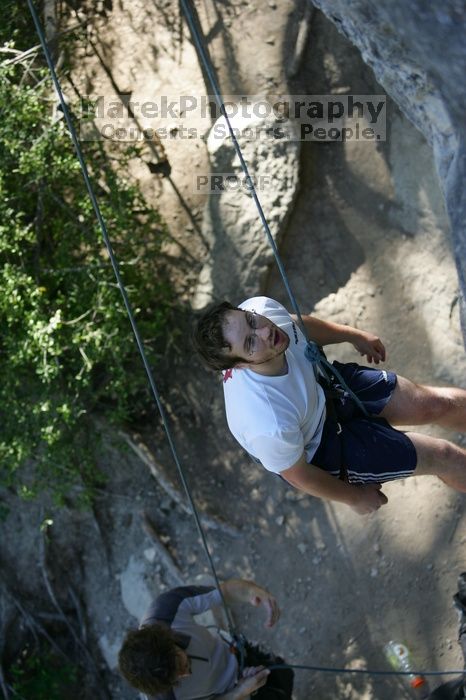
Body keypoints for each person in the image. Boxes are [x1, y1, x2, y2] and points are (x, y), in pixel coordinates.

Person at [193, 296, 466, 515]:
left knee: (438, 403)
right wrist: (355, 497)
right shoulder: (266, 422)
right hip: (321, 446)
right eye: (250, 342)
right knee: (443, 456)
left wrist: (352, 335)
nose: (264, 331)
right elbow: (298, 474)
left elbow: (297, 326)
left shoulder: (261, 310)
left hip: (324, 385)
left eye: (251, 321)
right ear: (239, 366)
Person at [118, 578, 294, 699]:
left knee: (285, 674)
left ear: (168, 639)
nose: (186, 673)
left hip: (234, 652)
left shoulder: (167, 610)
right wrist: (239, 692)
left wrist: (253, 593)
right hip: (228, 694)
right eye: (177, 680)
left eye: (180, 662)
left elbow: (223, 592)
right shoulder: (164, 696)